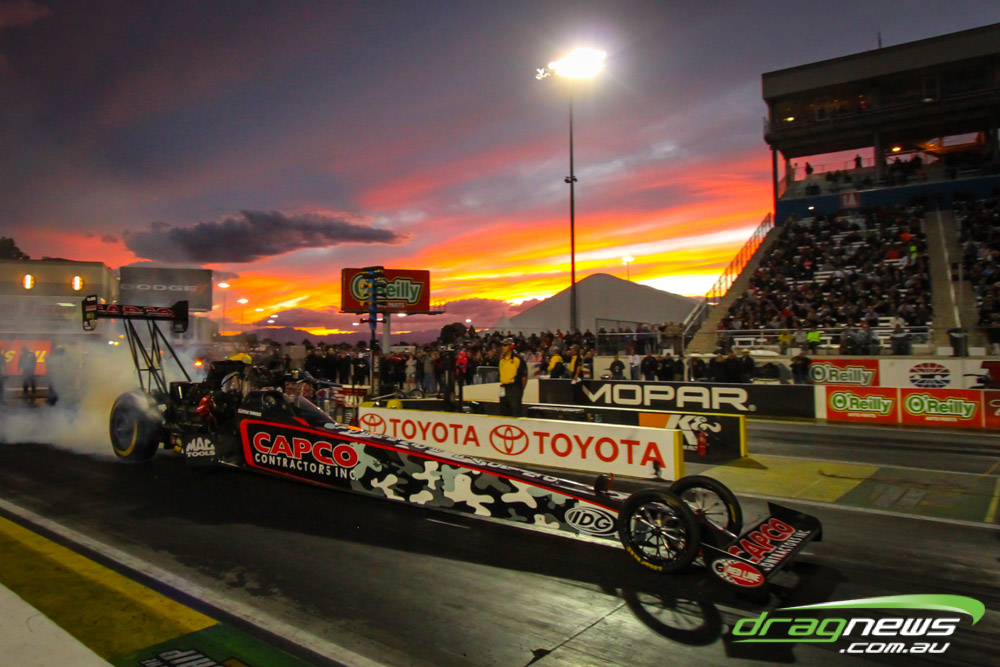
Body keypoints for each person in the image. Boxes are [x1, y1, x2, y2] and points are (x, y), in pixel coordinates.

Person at [498, 338, 527, 417]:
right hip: (504, 387)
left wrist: (520, 390)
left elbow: (524, 376)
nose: (503, 347)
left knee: (515, 411)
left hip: (514, 387)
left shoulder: (518, 359)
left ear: (511, 346)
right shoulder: (502, 360)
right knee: (503, 411)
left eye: (505, 345)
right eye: (502, 345)